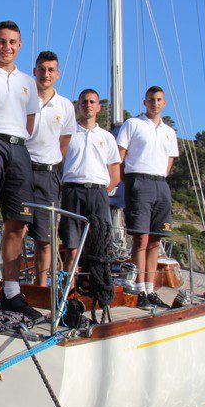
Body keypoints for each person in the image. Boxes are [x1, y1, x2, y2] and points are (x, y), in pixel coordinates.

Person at [0, 20, 42, 318]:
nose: (7, 47)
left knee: (18, 221)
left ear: (20, 45)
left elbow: (30, 122)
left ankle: (13, 291)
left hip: (19, 148)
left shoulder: (28, 82)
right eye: (1, 41)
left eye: (12, 42)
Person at [116, 86, 179, 309]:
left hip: (161, 184)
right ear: (144, 102)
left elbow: (169, 160)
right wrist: (129, 182)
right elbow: (120, 156)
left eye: (159, 100)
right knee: (140, 239)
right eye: (151, 99)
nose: (155, 103)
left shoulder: (169, 132)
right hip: (138, 181)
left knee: (155, 240)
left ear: (164, 103)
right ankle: (140, 289)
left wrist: (159, 177)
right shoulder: (133, 124)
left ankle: (150, 289)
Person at [26, 51, 76, 286]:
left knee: (44, 238)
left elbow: (64, 142)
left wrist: (51, 162)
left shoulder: (65, 106)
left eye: (51, 70)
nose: (46, 74)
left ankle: (41, 287)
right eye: (42, 69)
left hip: (48, 174)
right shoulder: (24, 97)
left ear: (57, 74)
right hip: (22, 170)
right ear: (34, 71)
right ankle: (12, 286)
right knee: (16, 229)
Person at [60, 89, 121, 275]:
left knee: (98, 247)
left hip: (98, 193)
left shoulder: (107, 137)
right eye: (84, 102)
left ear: (99, 107)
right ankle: (70, 289)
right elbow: (58, 162)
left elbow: (115, 174)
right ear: (78, 106)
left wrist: (101, 193)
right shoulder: (68, 135)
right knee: (71, 248)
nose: (88, 105)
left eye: (92, 102)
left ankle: (95, 287)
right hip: (72, 192)